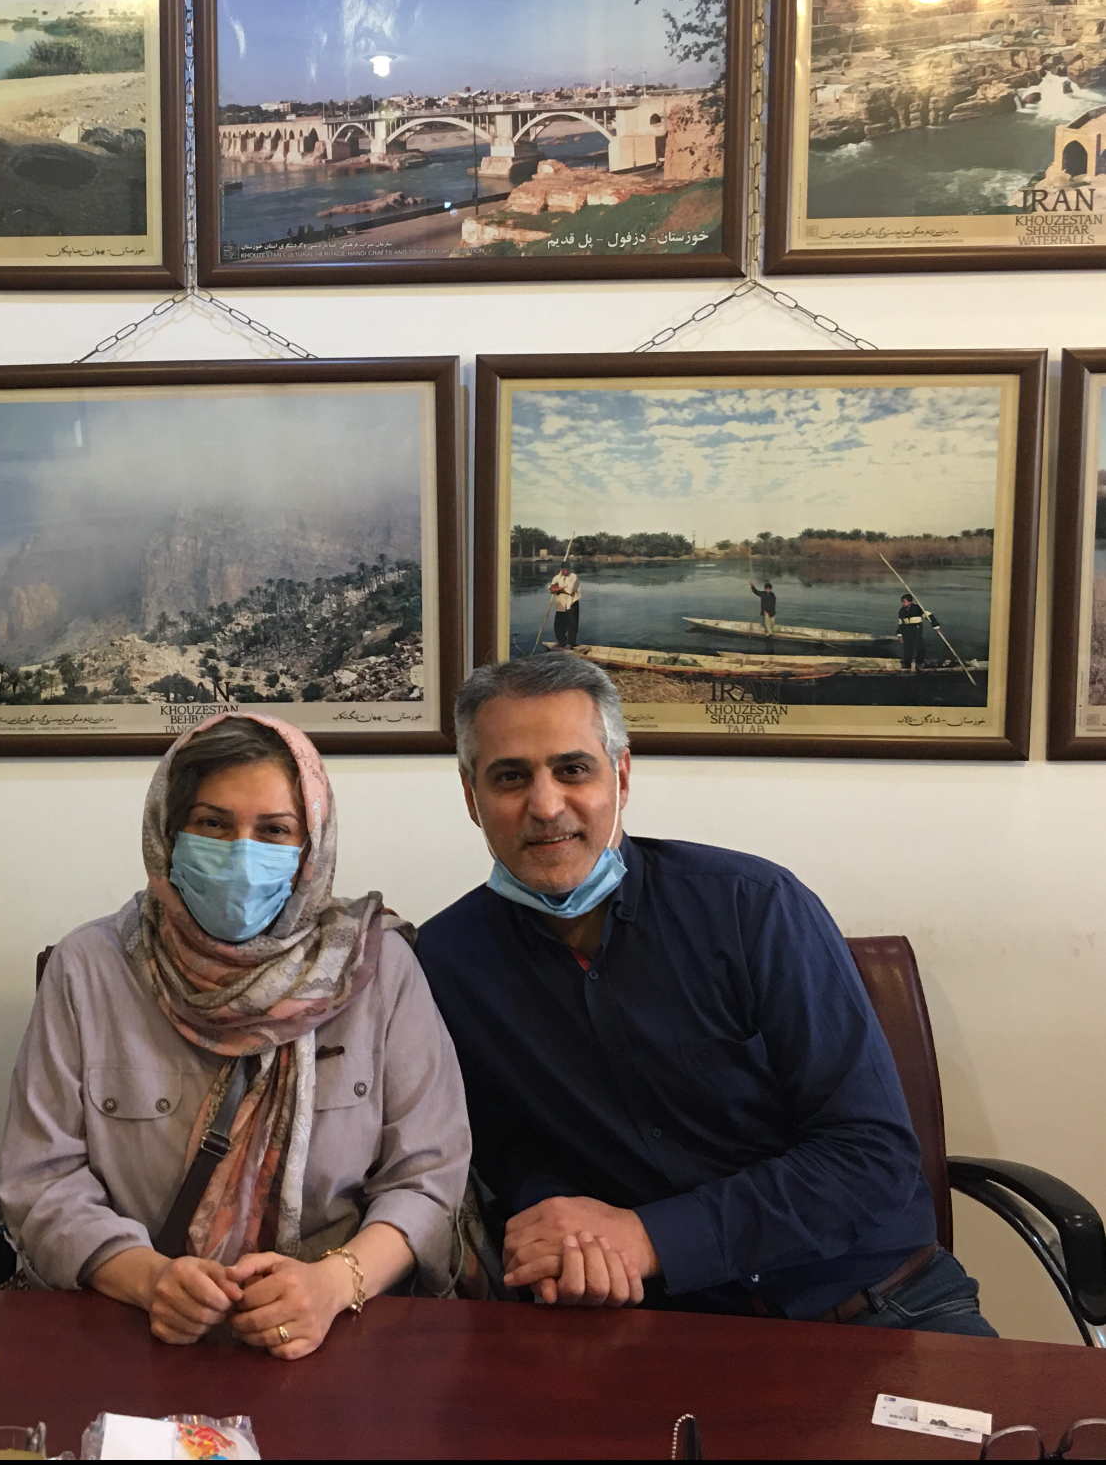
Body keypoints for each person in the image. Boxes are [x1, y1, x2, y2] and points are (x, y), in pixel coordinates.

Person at [416, 654, 995, 1335]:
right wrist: (566, 1231)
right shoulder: (448, 961)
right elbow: (508, 1150)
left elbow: (871, 1155)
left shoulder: (755, 908)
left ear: (621, 776)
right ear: (471, 796)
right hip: (659, 1328)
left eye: (573, 769)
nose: (545, 806)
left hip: (877, 1306)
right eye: (510, 777)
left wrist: (650, 1238)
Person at [0, 713, 470, 1357]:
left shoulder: (376, 968)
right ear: (169, 832)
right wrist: (148, 1278)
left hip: (339, 1328)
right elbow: (40, 1181)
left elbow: (429, 1178)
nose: (242, 855)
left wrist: (333, 1284)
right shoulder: (88, 968)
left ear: (311, 848)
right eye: (213, 824)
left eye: (274, 831)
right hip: (133, 1325)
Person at [897, 593, 935, 672]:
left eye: (904, 602)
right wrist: (900, 635)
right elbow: (900, 624)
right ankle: (907, 665)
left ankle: (919, 663)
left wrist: (935, 625)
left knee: (920, 648)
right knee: (907, 649)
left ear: (909, 602)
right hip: (906, 632)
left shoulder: (917, 608)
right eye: (902, 602)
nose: (902, 603)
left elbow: (928, 615)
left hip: (916, 631)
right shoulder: (902, 611)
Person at [549, 561, 581, 648]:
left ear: (569, 569)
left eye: (567, 570)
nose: (565, 571)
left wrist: (558, 589)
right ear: (561, 569)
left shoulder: (573, 577)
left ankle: (571, 644)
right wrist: (562, 588)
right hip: (561, 605)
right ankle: (562, 642)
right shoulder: (556, 578)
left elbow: (570, 590)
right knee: (558, 626)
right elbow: (551, 590)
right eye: (564, 570)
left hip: (571, 604)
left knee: (572, 625)